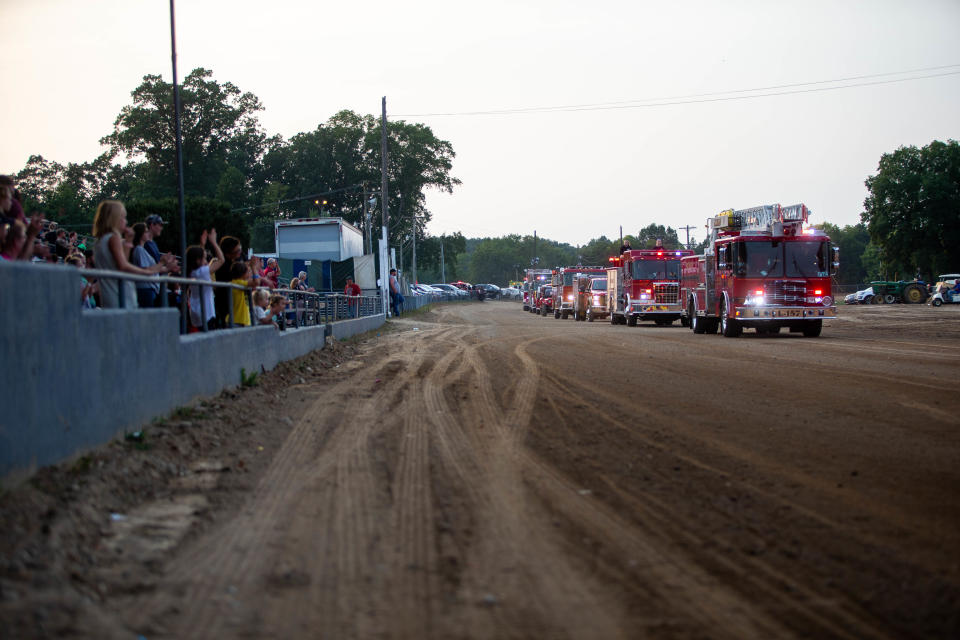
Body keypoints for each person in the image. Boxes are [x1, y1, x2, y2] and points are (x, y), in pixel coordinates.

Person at [91, 201, 178, 309]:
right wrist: (148, 271)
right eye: (123, 217)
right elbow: (123, 266)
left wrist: (128, 242)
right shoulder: (113, 238)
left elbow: (120, 264)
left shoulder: (99, 241)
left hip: (109, 294)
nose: (126, 221)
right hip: (120, 294)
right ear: (114, 218)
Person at [186, 228, 225, 331]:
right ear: (198, 260)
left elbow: (198, 256)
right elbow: (221, 260)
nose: (206, 261)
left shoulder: (192, 272)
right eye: (204, 258)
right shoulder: (201, 272)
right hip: (206, 314)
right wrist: (214, 242)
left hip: (197, 313)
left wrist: (202, 245)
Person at [215, 235, 243, 326]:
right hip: (225, 304)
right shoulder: (224, 265)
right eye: (237, 250)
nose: (240, 252)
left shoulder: (233, 263)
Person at [131, 222, 161, 308]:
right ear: (140, 234)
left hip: (149, 289)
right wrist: (162, 263)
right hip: (145, 289)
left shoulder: (142, 249)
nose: (148, 233)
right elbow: (147, 269)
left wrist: (167, 267)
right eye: (146, 231)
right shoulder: (139, 250)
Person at [229, 260, 254, 327]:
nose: (249, 273)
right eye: (247, 272)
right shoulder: (238, 282)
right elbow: (256, 282)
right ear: (243, 273)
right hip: (237, 321)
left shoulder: (239, 282)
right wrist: (254, 268)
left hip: (241, 320)